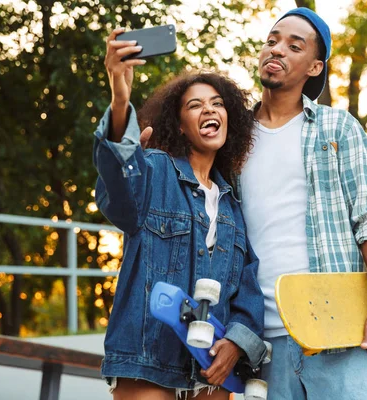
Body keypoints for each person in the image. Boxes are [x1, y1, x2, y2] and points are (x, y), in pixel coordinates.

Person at [237, 8, 367, 400]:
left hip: (338, 331)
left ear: (314, 66)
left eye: (294, 46)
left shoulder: (337, 127)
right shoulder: (233, 138)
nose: (277, 50)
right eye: (273, 40)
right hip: (263, 342)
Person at [94, 28, 267, 400]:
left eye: (217, 103)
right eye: (195, 105)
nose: (209, 109)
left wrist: (236, 344)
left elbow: (248, 291)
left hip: (211, 371)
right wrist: (121, 98)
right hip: (147, 361)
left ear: (229, 118)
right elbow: (116, 191)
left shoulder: (233, 208)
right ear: (180, 126)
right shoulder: (154, 170)